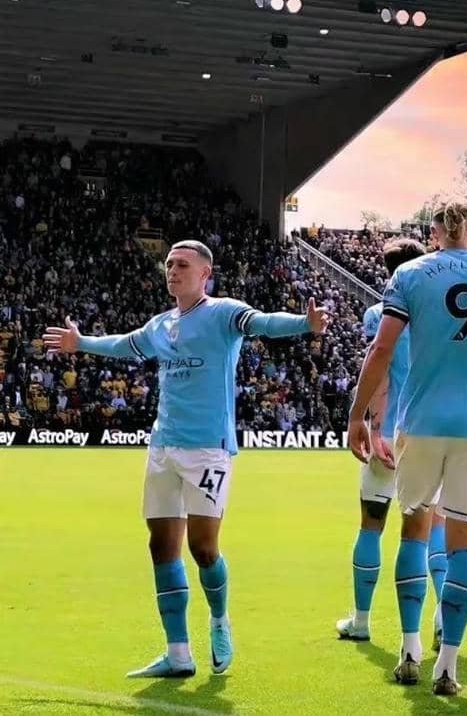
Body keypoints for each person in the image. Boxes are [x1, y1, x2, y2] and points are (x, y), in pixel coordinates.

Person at [43, 238, 327, 680]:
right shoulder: (161, 324)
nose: (172, 271)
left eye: (182, 265)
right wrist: (81, 342)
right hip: (163, 447)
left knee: (203, 547)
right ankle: (178, 653)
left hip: (207, 447)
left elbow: (263, 323)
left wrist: (304, 323)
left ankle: (219, 620)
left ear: (204, 274)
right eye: (169, 264)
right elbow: (124, 345)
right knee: (161, 546)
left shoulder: (224, 313)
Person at [347, 201, 467, 697]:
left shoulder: (410, 274)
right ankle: (447, 664)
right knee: (462, 542)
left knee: (413, 530)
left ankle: (408, 649)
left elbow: (382, 349)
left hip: (421, 422)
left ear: (433, 233)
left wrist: (358, 414)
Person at [336, 236, 426, 643]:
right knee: (426, 532)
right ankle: (434, 627)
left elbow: (381, 370)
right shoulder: (436, 315)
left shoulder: (379, 314)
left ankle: (361, 620)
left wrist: (373, 427)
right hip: (427, 432)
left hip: (389, 431)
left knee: (371, 525)